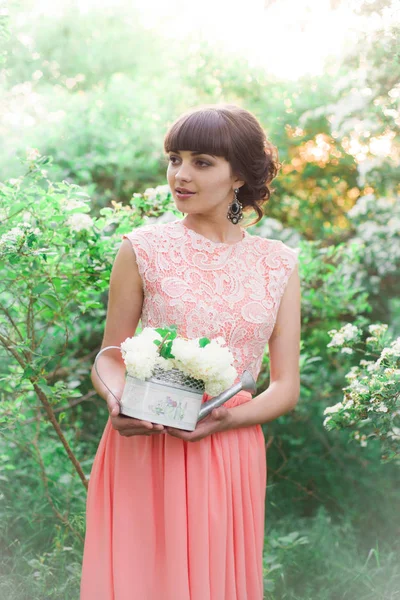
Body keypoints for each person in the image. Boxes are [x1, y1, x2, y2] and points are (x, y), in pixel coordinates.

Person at [80, 103, 301, 600]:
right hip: (147, 438)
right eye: (174, 158)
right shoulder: (142, 248)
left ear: (239, 174)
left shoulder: (278, 263)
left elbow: (285, 387)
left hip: (229, 447)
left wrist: (228, 421)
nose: (181, 174)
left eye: (201, 162)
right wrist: (118, 404)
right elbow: (110, 356)